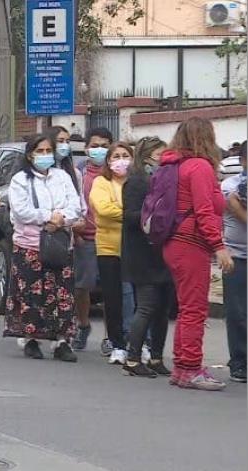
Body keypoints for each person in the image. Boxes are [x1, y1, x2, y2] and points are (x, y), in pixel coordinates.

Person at [161, 117, 233, 391]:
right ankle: (191, 368)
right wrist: (219, 246)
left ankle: (183, 366)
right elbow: (204, 211)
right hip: (191, 242)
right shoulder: (199, 167)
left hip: (174, 242)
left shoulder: (174, 164)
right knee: (195, 309)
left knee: (187, 307)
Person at [4, 135, 81, 362]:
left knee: (62, 294)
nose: (45, 155)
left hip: (59, 243)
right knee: (31, 294)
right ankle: (31, 338)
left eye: (49, 151)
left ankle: (61, 341)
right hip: (30, 245)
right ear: (30, 155)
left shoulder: (62, 177)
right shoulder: (20, 180)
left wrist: (60, 220)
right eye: (41, 151)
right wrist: (47, 217)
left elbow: (75, 206)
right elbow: (21, 211)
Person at [120, 138, 174, 378]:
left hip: (161, 252)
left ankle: (156, 356)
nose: (164, 158)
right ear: (149, 155)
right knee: (147, 306)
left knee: (162, 309)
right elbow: (129, 216)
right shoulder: (136, 182)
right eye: (160, 153)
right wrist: (151, 216)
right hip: (142, 253)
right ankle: (132, 358)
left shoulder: (162, 180)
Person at [89, 143, 133, 365]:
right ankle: (117, 344)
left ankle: (137, 342)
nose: (121, 160)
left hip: (134, 248)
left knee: (134, 298)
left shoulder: (136, 183)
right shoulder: (101, 182)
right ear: (108, 161)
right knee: (113, 298)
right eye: (116, 156)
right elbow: (104, 210)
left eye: (126, 155)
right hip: (108, 248)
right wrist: (132, 213)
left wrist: (126, 213)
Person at [71, 127, 112, 352]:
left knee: (111, 289)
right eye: (95, 146)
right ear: (86, 148)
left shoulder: (117, 173)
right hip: (85, 238)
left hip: (111, 239)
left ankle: (110, 335)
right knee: (82, 287)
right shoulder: (79, 174)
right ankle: (83, 325)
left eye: (105, 146)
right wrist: (76, 232)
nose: (99, 150)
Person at [221, 142, 247, 383]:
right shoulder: (230, 185)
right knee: (237, 312)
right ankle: (239, 362)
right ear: (243, 161)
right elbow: (239, 213)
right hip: (236, 256)